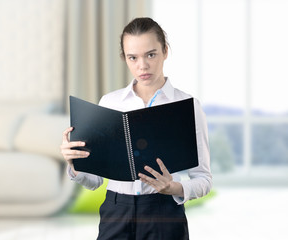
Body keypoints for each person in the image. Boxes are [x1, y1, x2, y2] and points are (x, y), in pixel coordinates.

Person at [61, 17, 212, 239]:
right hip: (115, 211)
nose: (142, 66)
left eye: (151, 54)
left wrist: (175, 188)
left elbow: (204, 179)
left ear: (165, 51)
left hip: (165, 211)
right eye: (133, 57)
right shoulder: (110, 103)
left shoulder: (187, 106)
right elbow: (94, 182)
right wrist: (74, 163)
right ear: (125, 58)